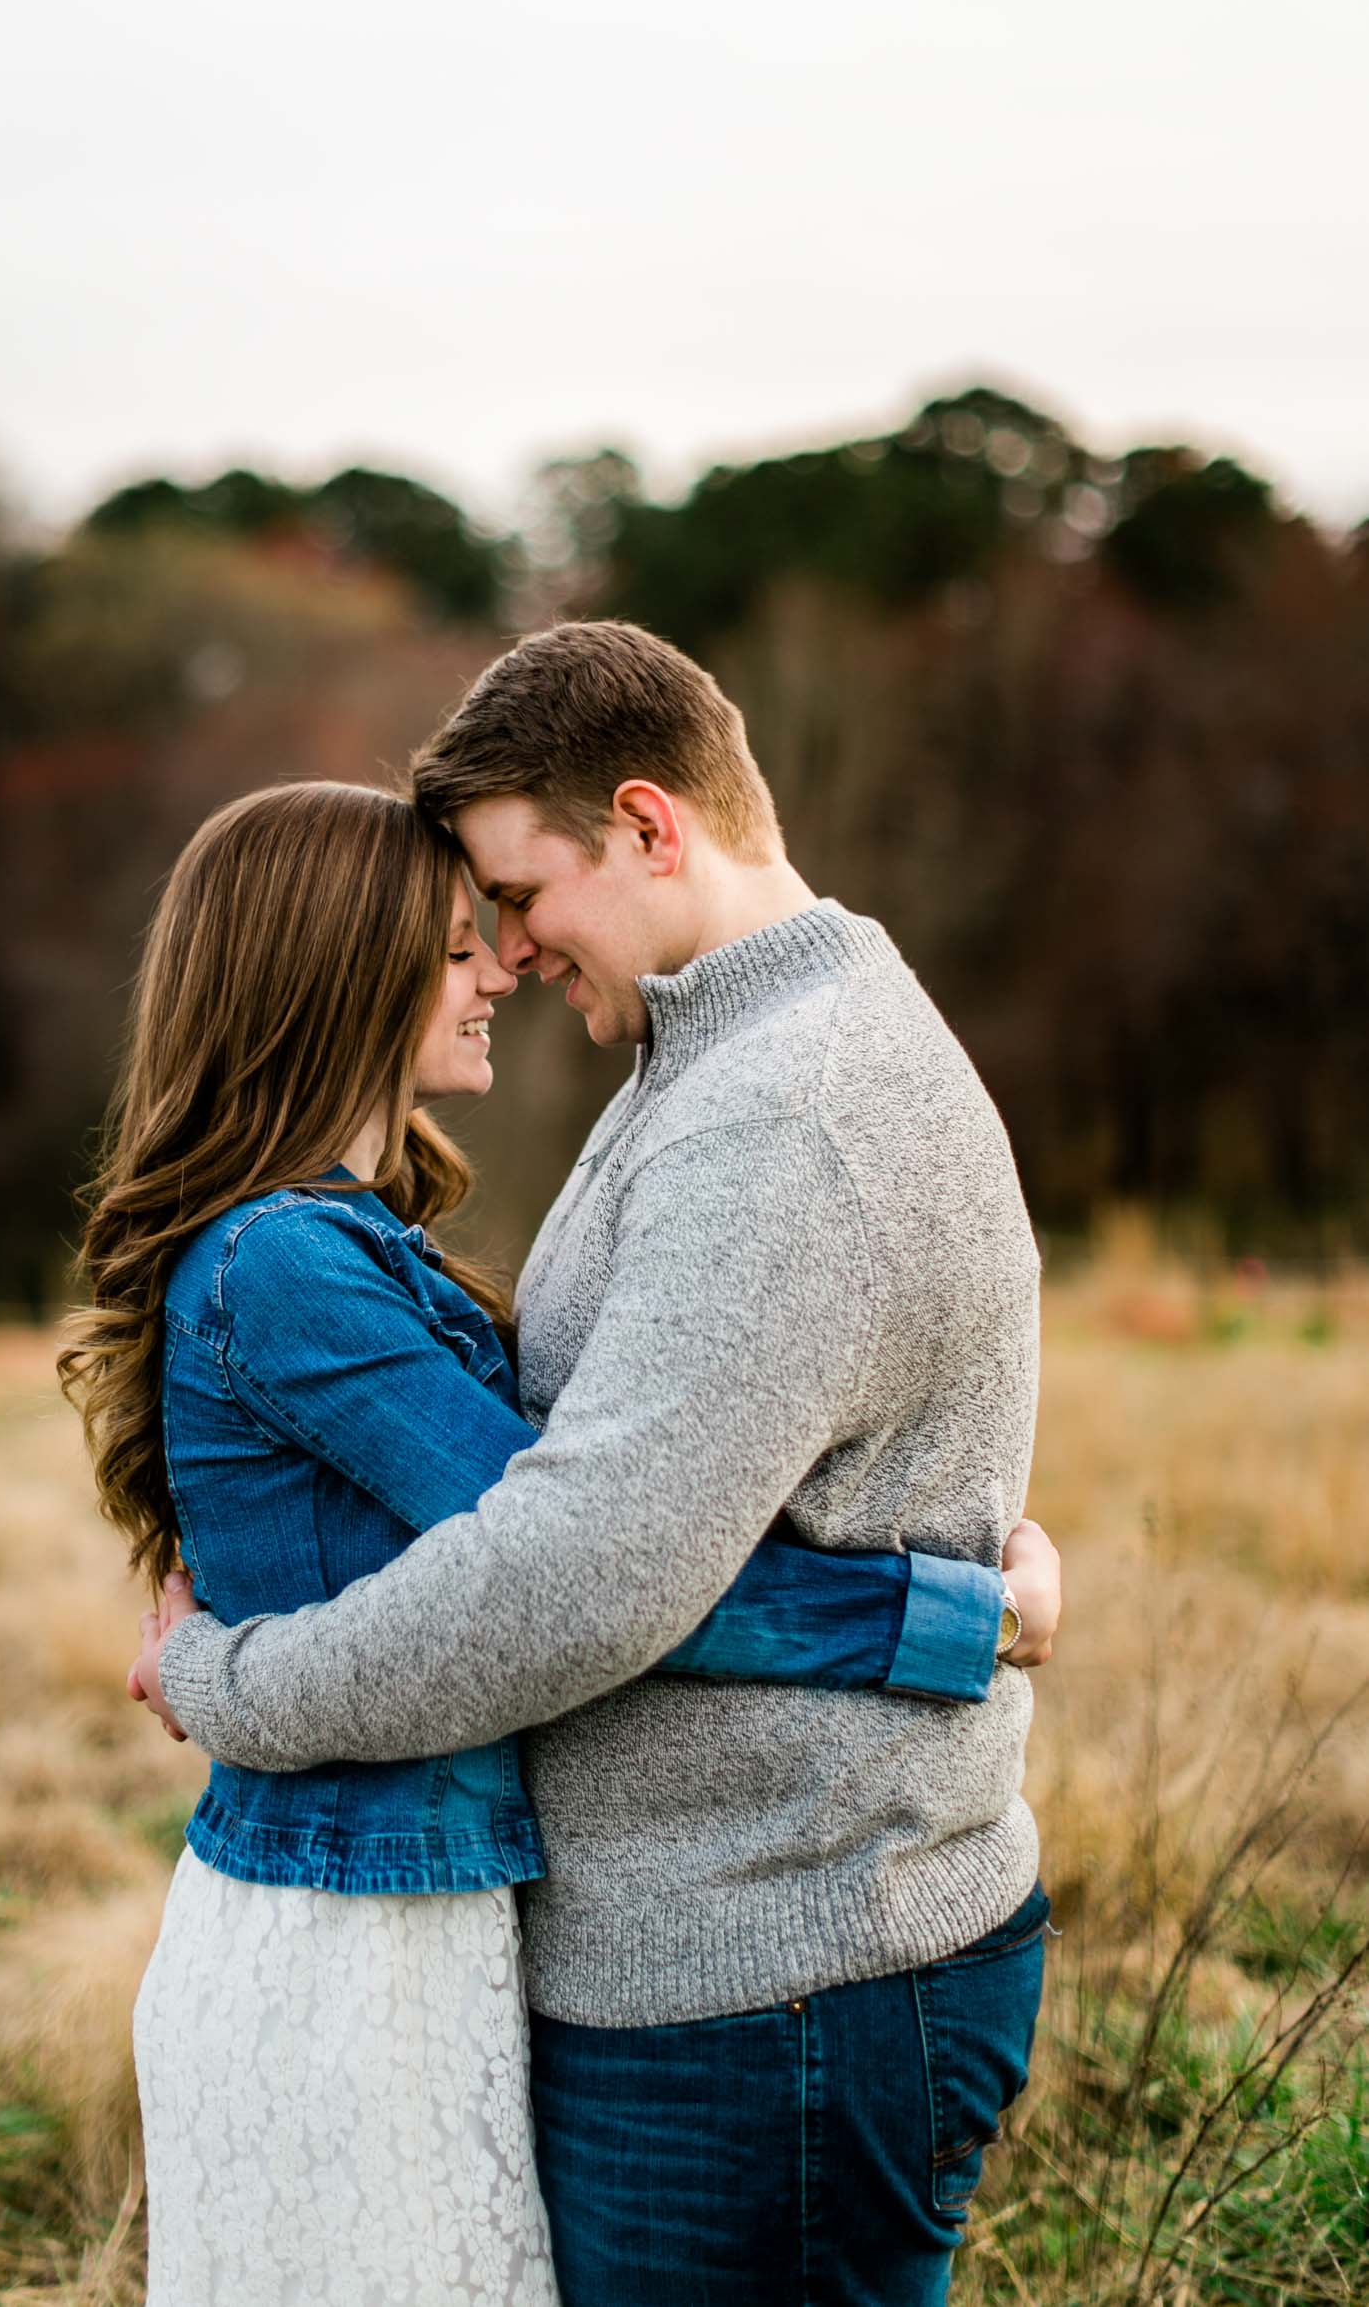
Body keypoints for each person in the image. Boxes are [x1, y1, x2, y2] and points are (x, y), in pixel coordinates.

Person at [136, 622, 1057, 2307]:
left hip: (776, 1962)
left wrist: (234, 1681)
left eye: (514, 892)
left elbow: (586, 1565)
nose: (505, 950)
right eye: (466, 924)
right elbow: (627, 1498)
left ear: (647, 826)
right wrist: (961, 1603)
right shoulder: (701, 1067)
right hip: (688, 1956)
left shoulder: (785, 1109)